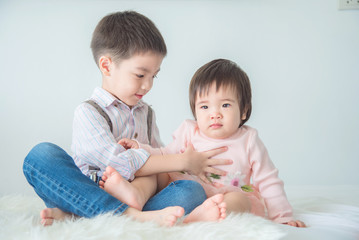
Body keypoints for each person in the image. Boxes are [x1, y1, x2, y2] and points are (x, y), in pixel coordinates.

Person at [23, 11, 230, 227]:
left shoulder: (147, 114)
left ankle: (81, 217)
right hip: (86, 191)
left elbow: (158, 170)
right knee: (40, 156)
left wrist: (169, 168)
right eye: (140, 75)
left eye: (154, 76)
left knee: (191, 190)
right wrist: (183, 161)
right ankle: (128, 216)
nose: (148, 85)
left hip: (138, 197)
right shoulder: (89, 112)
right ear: (107, 66)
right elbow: (118, 163)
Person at [109, 58, 306, 227]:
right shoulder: (189, 130)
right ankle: (133, 193)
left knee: (241, 200)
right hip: (185, 191)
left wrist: (282, 216)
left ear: (244, 111)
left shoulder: (248, 140)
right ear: (195, 111)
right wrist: (140, 148)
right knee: (158, 171)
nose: (215, 114)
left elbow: (268, 180)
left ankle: (211, 214)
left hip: (226, 195)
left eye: (226, 105)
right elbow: (165, 154)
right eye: (204, 106)